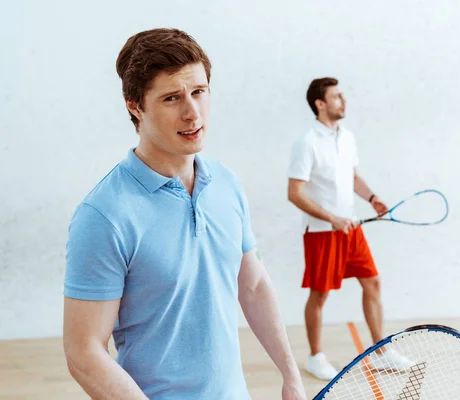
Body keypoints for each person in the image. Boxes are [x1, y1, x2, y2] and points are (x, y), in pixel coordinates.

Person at [63, 28, 306, 400]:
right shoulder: (103, 215)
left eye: (199, 92)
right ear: (135, 105)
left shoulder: (225, 183)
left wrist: (291, 375)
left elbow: (253, 286)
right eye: (172, 98)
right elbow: (84, 352)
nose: (192, 113)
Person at [287, 77, 415, 380]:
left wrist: (372, 198)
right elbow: (295, 193)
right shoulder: (306, 143)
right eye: (337, 96)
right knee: (320, 296)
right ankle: (315, 357)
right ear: (320, 104)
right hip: (322, 232)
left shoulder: (347, 137)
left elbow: (352, 176)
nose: (344, 101)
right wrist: (332, 218)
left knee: (372, 282)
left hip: (352, 228)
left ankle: (382, 352)